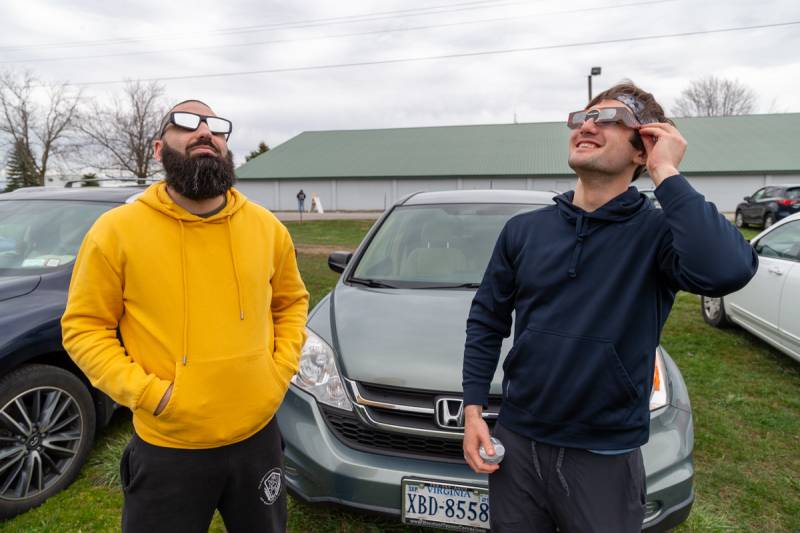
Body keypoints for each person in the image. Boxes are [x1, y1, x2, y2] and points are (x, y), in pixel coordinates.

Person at [461, 82, 757, 532]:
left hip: (604, 457)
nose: (588, 125)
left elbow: (728, 270)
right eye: (582, 117)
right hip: (517, 445)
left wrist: (667, 173)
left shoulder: (658, 234)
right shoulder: (524, 231)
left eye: (610, 118)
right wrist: (473, 411)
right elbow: (487, 320)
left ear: (644, 149)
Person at [62, 99, 309, 533]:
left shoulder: (267, 228)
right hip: (168, 445)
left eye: (215, 126)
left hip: (257, 438)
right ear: (159, 148)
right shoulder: (116, 231)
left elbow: (290, 303)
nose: (204, 132)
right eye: (186, 123)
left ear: (225, 147)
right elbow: (84, 328)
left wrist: (278, 373)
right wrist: (150, 394)